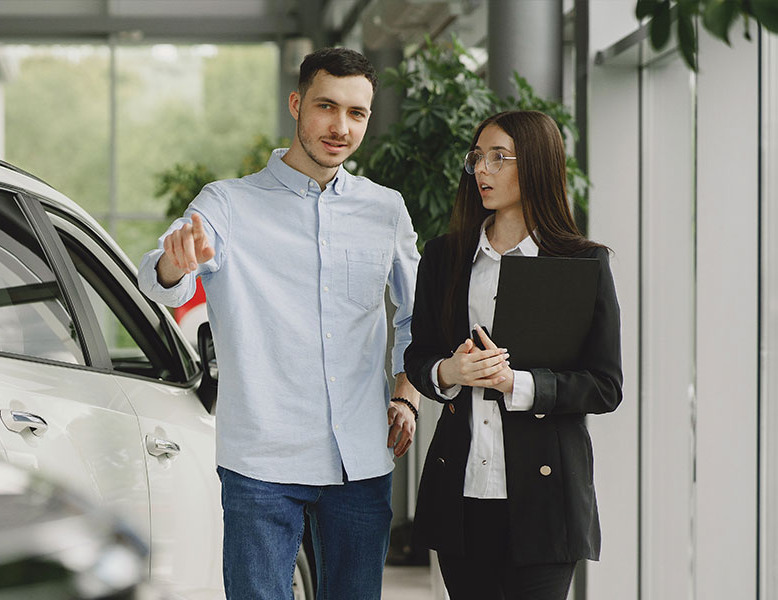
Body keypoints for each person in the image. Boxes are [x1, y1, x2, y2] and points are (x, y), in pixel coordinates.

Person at [138, 47, 420, 599]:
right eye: (326, 107)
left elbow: (418, 315)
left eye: (356, 113)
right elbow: (157, 277)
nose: (340, 128)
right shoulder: (228, 203)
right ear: (296, 104)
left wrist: (406, 394)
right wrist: (177, 259)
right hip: (263, 458)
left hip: (360, 455)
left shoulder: (385, 209)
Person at [403, 110, 623, 599]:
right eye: (477, 157)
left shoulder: (582, 263)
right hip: (461, 491)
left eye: (499, 158)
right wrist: (449, 371)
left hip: (547, 499)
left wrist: (516, 384)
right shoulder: (444, 256)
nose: (483, 169)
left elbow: (605, 386)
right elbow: (418, 356)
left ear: (538, 165)